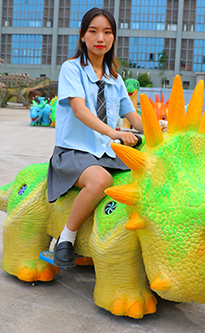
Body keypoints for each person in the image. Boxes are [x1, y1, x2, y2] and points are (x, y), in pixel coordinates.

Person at [47, 7, 144, 267]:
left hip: (107, 152)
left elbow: (134, 118)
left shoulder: (116, 79)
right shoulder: (72, 69)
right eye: (93, 31)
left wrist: (158, 127)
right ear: (82, 36)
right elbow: (79, 110)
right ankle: (65, 238)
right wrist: (114, 132)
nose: (100, 38)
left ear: (113, 38)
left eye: (107, 32)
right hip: (74, 152)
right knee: (101, 179)